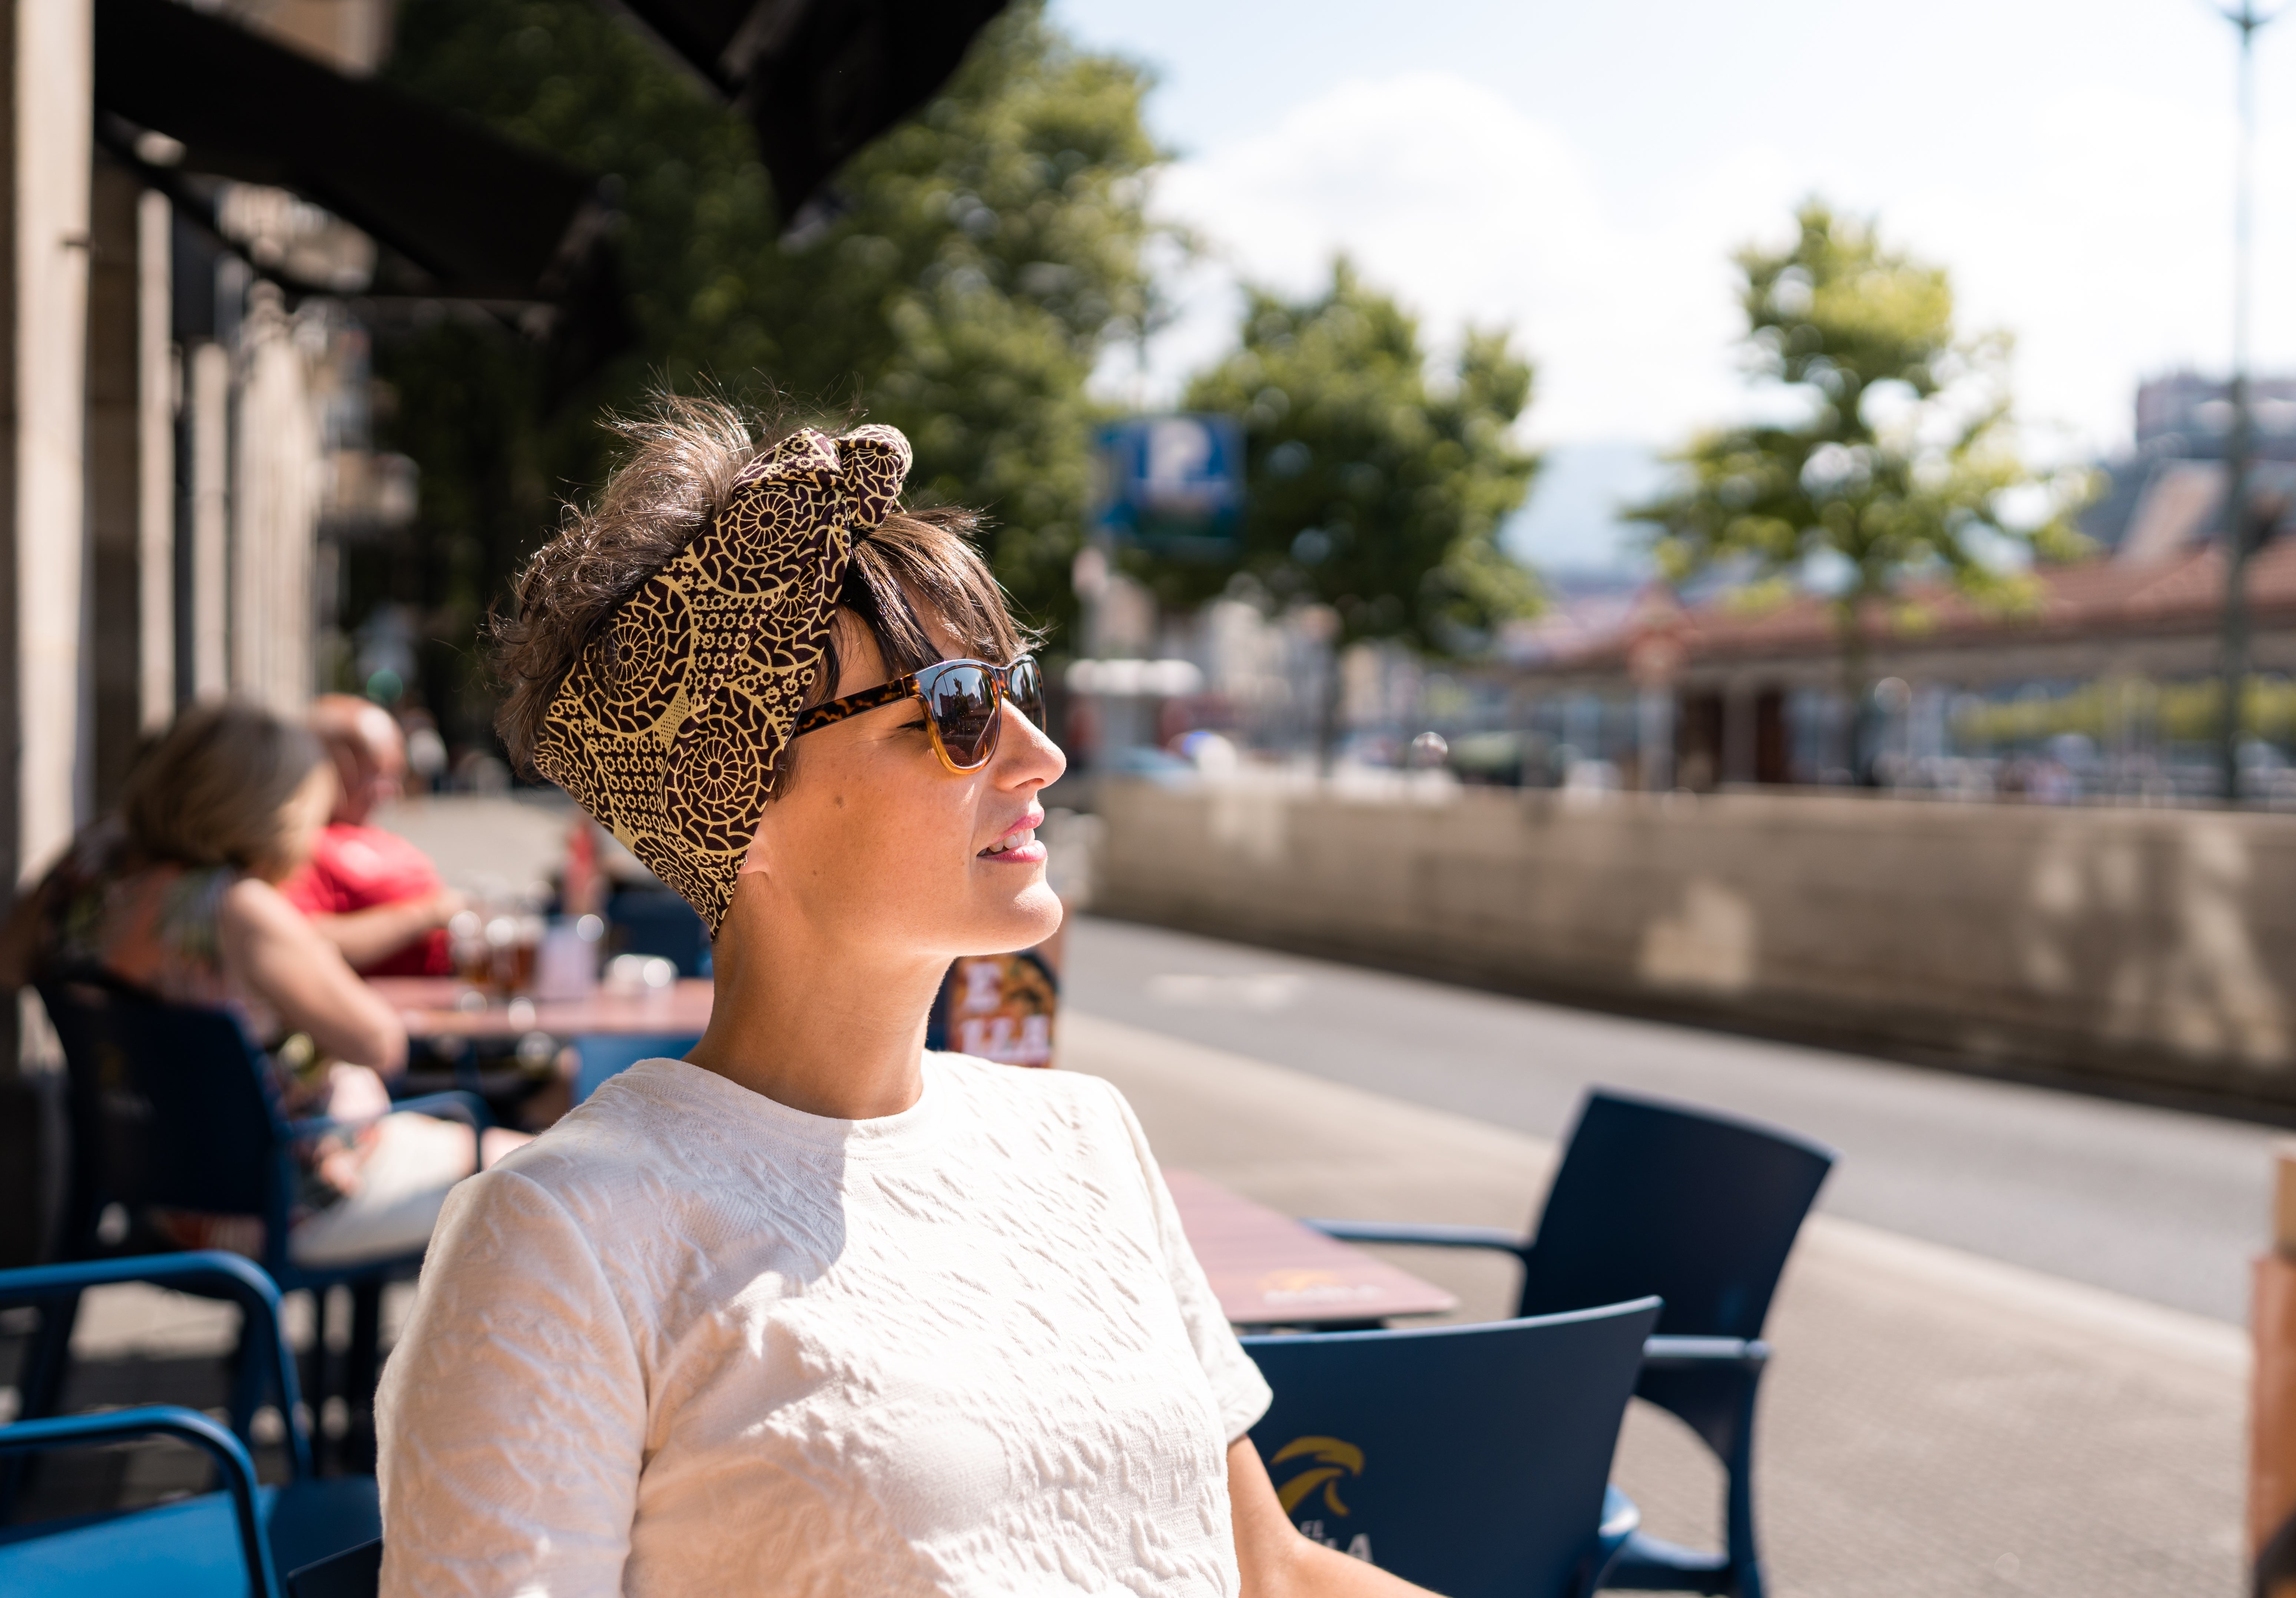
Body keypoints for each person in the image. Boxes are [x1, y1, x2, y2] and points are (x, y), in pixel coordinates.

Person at [376, 399, 1437, 1597]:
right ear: (740, 797)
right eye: (955, 707)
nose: (1040, 754)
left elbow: (1274, 1572)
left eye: (1013, 683)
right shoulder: (564, 1236)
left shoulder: (1083, 1136)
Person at [2, 701, 523, 1265]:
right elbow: (379, 1043)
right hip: (277, 1201)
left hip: (152, 1188)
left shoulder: (83, 867)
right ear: (269, 807)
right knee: (547, 1169)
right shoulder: (234, 908)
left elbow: (10, 964)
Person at [282, 694, 463, 975]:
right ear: (334, 766)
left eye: (396, 776)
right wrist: (430, 914)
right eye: (380, 775)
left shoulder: (368, 832)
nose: (392, 792)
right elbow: (300, 941)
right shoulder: (301, 847)